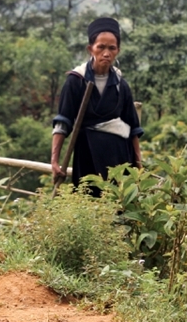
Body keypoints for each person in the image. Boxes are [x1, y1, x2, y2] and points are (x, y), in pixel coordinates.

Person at [51, 17, 143, 195]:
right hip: (87, 155)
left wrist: (139, 166)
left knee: (119, 205)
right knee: (89, 200)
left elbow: (133, 129)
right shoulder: (76, 81)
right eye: (101, 47)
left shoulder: (121, 85)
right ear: (90, 49)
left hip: (120, 157)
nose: (106, 53)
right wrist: (54, 161)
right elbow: (63, 123)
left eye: (112, 48)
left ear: (118, 51)